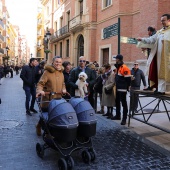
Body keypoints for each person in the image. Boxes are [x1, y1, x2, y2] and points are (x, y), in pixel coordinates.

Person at [137, 14, 170, 92]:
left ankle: (164, 90)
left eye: (163, 20)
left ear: (169, 20)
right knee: (158, 72)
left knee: (166, 74)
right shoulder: (160, 32)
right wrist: (142, 39)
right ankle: (160, 89)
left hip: (167, 57)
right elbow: (152, 39)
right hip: (159, 56)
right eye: (161, 20)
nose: (162, 22)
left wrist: (166, 42)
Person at [36, 56, 66, 136]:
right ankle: (42, 129)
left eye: (59, 62)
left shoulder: (61, 73)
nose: (58, 64)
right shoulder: (47, 72)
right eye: (56, 62)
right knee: (45, 116)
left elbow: (63, 83)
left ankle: (53, 130)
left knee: (55, 116)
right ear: (53, 62)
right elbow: (40, 83)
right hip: (47, 99)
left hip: (58, 99)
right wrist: (40, 91)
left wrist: (64, 89)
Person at [112, 54, 131, 125]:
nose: (115, 60)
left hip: (122, 88)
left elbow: (128, 78)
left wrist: (127, 86)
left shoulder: (124, 67)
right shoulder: (118, 67)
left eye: (116, 58)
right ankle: (118, 115)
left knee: (123, 103)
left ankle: (124, 119)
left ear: (118, 59)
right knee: (117, 102)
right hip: (118, 87)